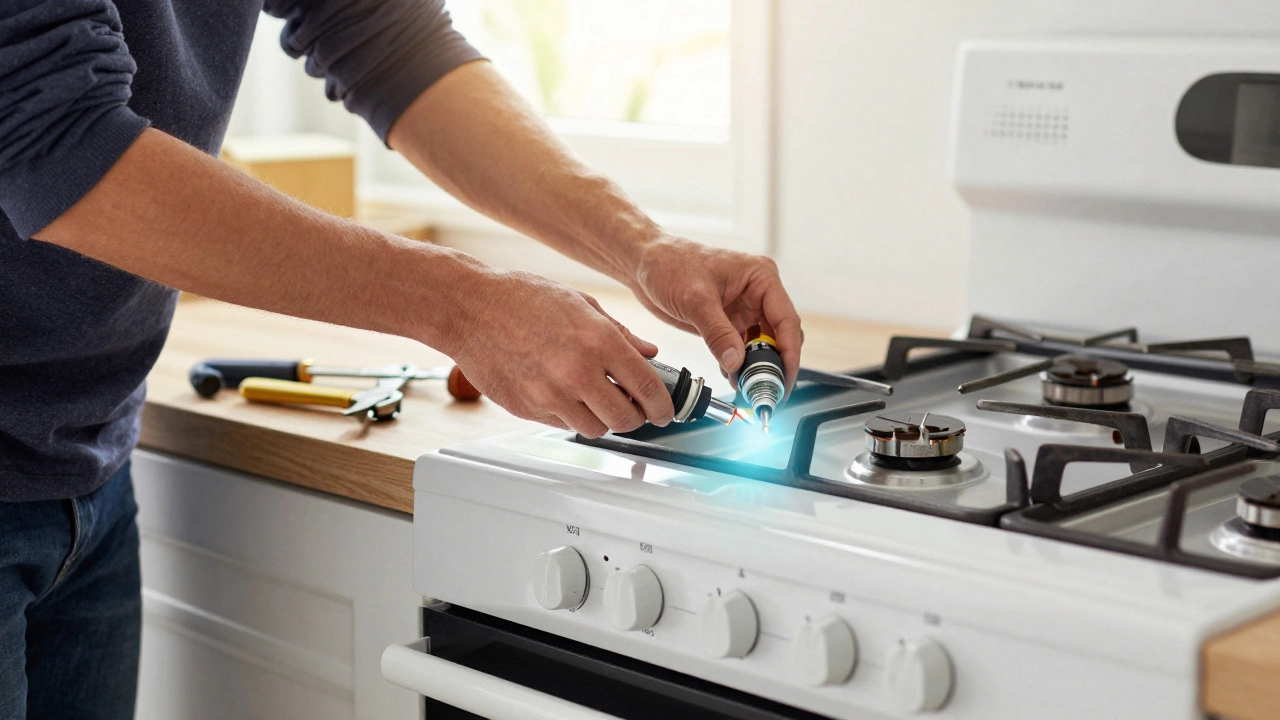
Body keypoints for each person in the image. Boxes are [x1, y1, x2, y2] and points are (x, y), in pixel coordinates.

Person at [0, 1, 804, 717]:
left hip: (89, 453)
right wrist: (465, 306)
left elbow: (384, 34)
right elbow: (56, 141)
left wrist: (643, 248)